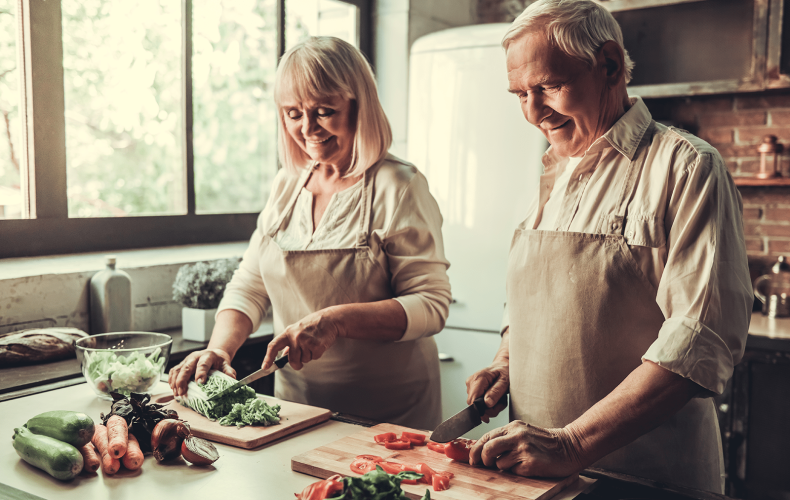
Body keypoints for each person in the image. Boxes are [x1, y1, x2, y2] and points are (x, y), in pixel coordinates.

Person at [464, 0, 752, 493]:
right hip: (539, 479)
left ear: (611, 65)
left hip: (647, 479)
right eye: (520, 94)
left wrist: (571, 444)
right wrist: (507, 360)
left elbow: (700, 340)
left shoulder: (687, 167)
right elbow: (538, 301)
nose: (533, 112)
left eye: (549, 86)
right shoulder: (553, 172)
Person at [169, 36, 451, 430]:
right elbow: (250, 285)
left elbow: (431, 306)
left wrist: (337, 320)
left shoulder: (399, 186)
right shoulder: (287, 184)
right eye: (293, 113)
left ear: (359, 106)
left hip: (390, 417)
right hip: (297, 408)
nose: (307, 128)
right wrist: (220, 349)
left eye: (324, 111)